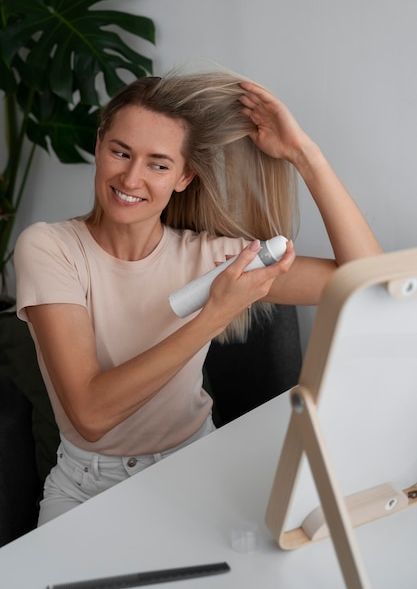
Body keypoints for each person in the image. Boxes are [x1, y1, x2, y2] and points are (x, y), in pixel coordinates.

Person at [14, 68, 382, 525]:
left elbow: (369, 282)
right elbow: (91, 413)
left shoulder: (209, 258)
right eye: (121, 152)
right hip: (87, 487)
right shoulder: (50, 248)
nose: (131, 178)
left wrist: (306, 156)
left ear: (185, 176)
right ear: (99, 146)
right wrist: (215, 313)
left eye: (158, 164)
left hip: (197, 466)